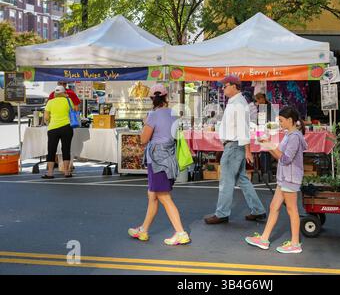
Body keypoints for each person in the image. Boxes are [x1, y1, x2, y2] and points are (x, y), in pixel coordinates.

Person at [128, 84, 191, 246]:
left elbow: (143, 139)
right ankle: (144, 229)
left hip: (157, 161)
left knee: (163, 196)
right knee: (153, 196)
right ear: (166, 97)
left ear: (152, 99)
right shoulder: (174, 114)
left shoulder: (153, 116)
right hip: (169, 160)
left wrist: (145, 123)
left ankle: (181, 232)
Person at [204, 74, 266, 224]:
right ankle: (258, 210)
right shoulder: (236, 102)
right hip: (234, 145)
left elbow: (243, 129)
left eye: (225, 86)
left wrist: (248, 150)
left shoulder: (237, 103)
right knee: (242, 179)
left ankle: (222, 213)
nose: (223, 88)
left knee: (226, 181)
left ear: (233, 86)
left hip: (233, 145)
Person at [245, 106, 307, 254]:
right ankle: (264, 239)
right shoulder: (289, 134)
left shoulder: (294, 137)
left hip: (290, 177)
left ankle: (295, 243)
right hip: (285, 177)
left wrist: (269, 144)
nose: (279, 123)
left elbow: (285, 159)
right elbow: (279, 154)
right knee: (274, 207)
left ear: (290, 120)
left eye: (281, 120)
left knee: (292, 210)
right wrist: (266, 143)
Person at [41, 86, 75, 179]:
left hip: (53, 129)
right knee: (66, 149)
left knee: (51, 150)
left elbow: (46, 118)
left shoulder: (50, 102)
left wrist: (49, 123)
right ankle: (67, 172)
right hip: (67, 127)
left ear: (55, 93)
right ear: (64, 93)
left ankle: (50, 173)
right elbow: (74, 110)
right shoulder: (69, 101)